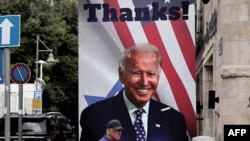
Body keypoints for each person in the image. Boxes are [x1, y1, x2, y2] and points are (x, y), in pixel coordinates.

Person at [80, 43, 189, 141]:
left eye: (151, 74)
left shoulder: (175, 121)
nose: (144, 82)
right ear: (122, 75)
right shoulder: (95, 116)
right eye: (136, 73)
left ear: (158, 77)